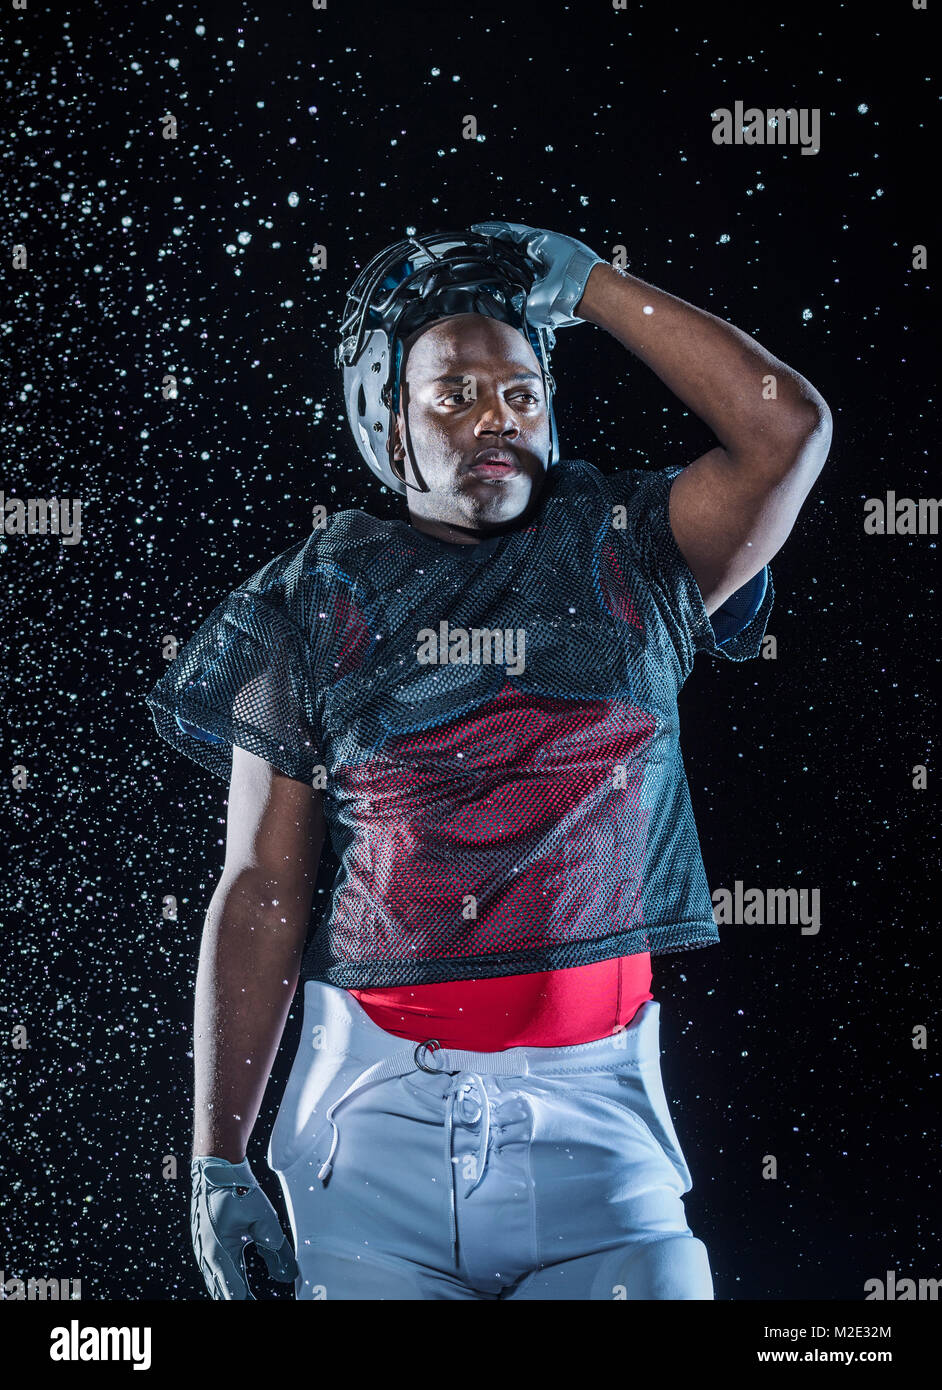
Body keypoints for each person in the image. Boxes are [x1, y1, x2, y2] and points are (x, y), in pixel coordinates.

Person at [146, 222, 832, 1300]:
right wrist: (217, 1160)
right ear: (390, 421)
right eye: (454, 395)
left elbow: (786, 430)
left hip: (600, 1122)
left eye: (518, 394)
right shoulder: (308, 600)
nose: (493, 422)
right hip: (369, 1133)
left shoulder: (632, 551)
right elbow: (264, 887)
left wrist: (597, 286)